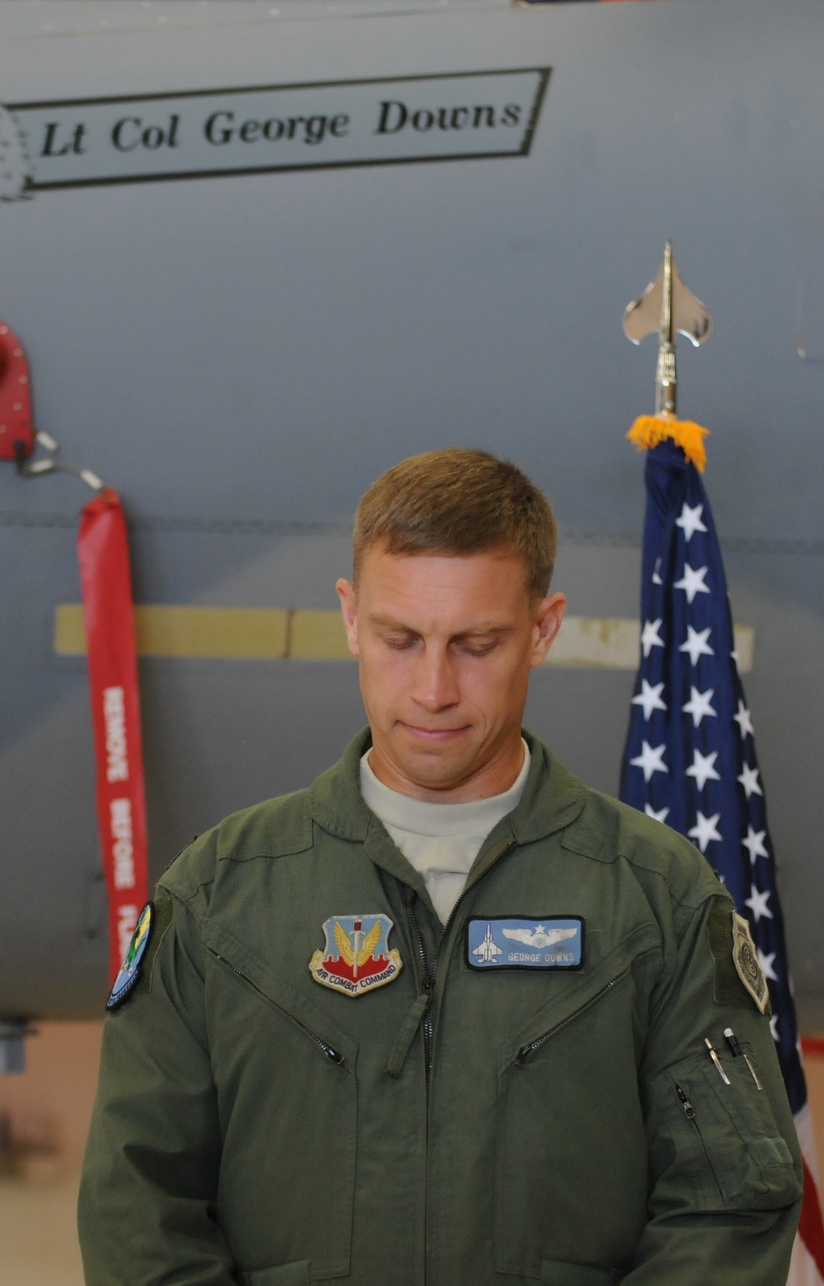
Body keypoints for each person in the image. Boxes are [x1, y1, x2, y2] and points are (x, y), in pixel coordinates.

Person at [78, 448, 802, 1285]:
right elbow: (137, 1204)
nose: (431, 689)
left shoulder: (657, 899)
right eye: (399, 639)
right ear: (350, 617)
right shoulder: (220, 896)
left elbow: (727, 1202)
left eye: (475, 644)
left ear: (543, 628)